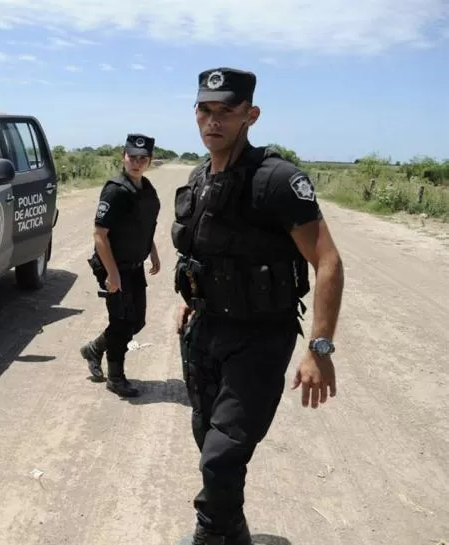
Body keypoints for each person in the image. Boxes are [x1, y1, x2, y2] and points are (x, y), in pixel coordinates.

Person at [171, 67, 345, 545]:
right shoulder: (199, 177)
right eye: (205, 110)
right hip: (206, 331)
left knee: (222, 454)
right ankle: (236, 534)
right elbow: (202, 253)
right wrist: (190, 301)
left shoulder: (277, 180)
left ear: (251, 115)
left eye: (226, 111)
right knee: (208, 439)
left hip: (260, 337)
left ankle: (210, 535)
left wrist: (320, 348)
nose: (213, 121)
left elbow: (327, 262)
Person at [80, 133, 162, 398]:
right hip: (112, 266)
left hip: (135, 265)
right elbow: (99, 235)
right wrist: (112, 274)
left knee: (136, 321)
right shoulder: (115, 190)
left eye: (142, 158)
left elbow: (145, 226)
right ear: (123, 157)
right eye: (132, 157)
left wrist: (154, 252)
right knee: (121, 321)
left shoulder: (147, 189)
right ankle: (116, 378)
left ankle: (94, 349)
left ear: (149, 160)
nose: (136, 163)